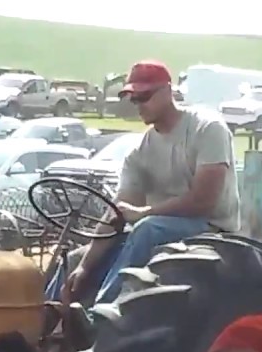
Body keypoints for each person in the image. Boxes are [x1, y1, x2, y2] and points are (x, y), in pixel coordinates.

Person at [44, 60, 241, 312]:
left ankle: (101, 315)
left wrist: (144, 213)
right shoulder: (139, 152)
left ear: (168, 92)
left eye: (144, 96)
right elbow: (118, 211)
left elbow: (204, 201)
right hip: (159, 229)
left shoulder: (207, 129)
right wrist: (85, 265)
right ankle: (45, 318)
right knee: (75, 259)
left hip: (211, 229)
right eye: (133, 98)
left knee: (147, 228)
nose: (138, 105)